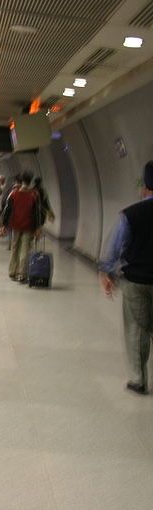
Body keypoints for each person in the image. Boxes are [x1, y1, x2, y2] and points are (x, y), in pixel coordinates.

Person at [98, 161, 153, 395]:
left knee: (137, 329)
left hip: (135, 281)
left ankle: (138, 380)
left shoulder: (131, 214)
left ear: (146, 186)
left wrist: (107, 272)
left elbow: (115, 245)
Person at [2, 173, 40, 282]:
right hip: (28, 226)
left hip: (15, 225)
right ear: (30, 182)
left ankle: (12, 271)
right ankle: (22, 274)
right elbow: (36, 213)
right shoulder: (34, 195)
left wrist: (4, 224)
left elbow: (7, 210)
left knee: (15, 248)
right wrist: (37, 228)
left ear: (21, 181)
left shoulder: (14, 194)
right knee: (25, 249)